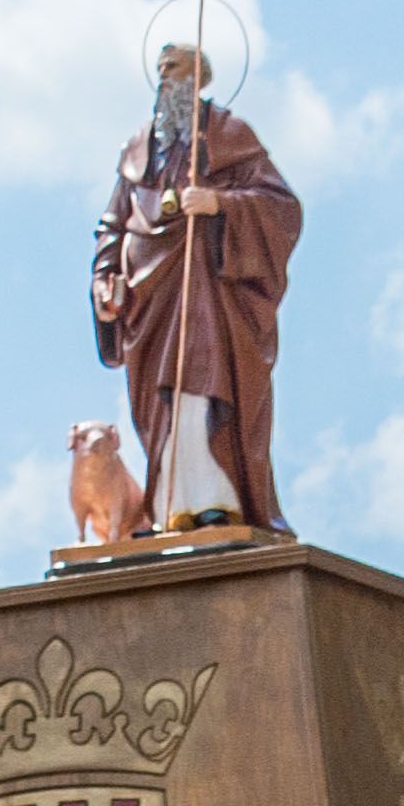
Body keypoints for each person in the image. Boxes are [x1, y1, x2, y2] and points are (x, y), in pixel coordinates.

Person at [90, 35, 303, 534]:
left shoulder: (230, 135)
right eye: (162, 69)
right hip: (149, 296)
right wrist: (104, 278)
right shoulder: (140, 148)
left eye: (177, 68)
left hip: (205, 288)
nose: (167, 78)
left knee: (202, 390)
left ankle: (216, 499)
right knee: (160, 403)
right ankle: (169, 501)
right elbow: (113, 222)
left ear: (200, 77)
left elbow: (281, 207)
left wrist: (219, 204)